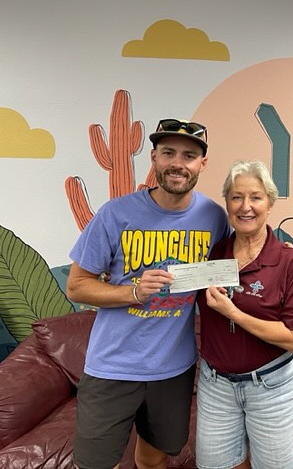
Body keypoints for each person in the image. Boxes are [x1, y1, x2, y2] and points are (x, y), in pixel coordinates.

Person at [66, 118, 231, 469]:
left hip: (173, 369)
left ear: (202, 164)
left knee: (155, 459)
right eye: (168, 152)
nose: (178, 163)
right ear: (153, 157)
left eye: (189, 155)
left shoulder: (213, 216)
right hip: (112, 366)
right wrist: (134, 293)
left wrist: (284, 252)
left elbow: (238, 260)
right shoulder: (116, 214)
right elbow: (77, 285)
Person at [195, 160, 293, 469]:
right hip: (216, 386)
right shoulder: (212, 255)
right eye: (236, 197)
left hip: (272, 386)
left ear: (270, 203)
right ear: (227, 203)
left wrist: (232, 312)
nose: (245, 206)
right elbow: (174, 286)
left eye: (255, 197)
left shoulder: (291, 262)